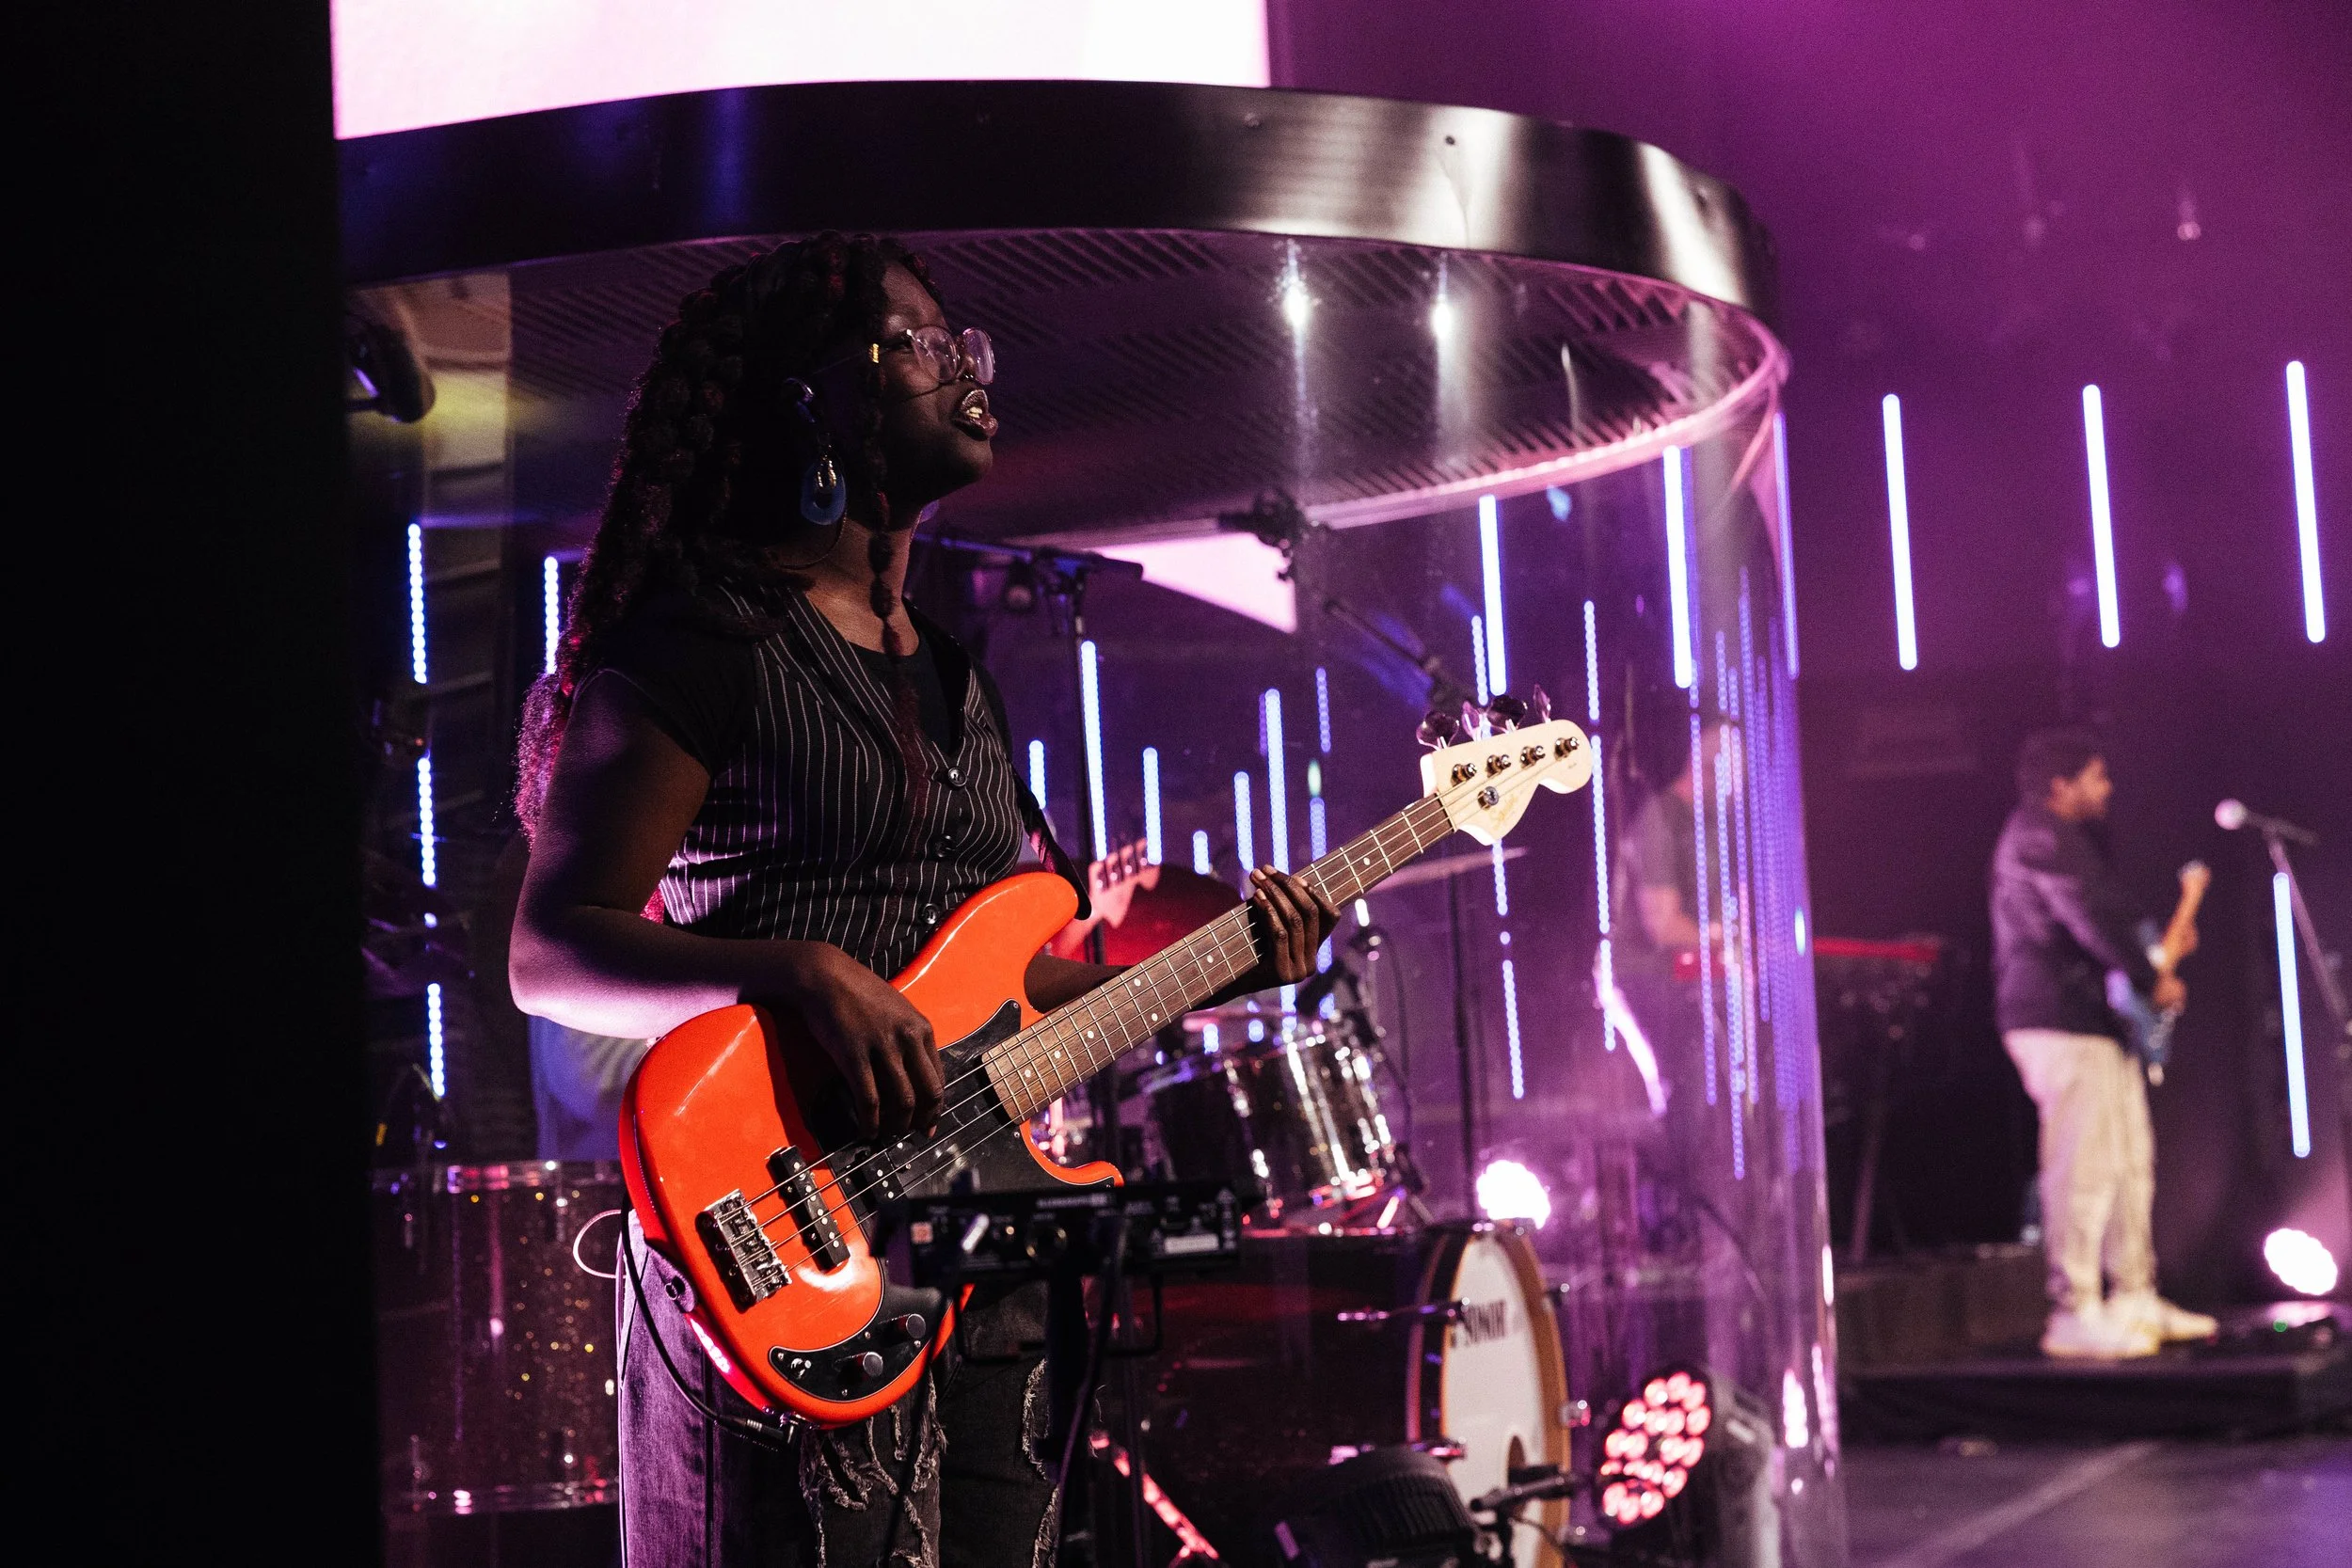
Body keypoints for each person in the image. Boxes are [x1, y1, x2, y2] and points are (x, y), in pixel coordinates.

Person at [507, 234, 1335, 1568]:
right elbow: (550, 951)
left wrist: (1230, 959)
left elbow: (1007, 987)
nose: (967, 366)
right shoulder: (700, 643)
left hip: (976, 1250)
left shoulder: (953, 672)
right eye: (920, 342)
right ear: (812, 397)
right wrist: (794, 970)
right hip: (779, 1233)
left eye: (966, 344)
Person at [1990, 728, 2216, 1359]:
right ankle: (2074, 1308)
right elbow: (2088, 912)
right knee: (2082, 1166)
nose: (2107, 787)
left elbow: (2103, 914)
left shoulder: (2057, 837)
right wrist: (2152, 976)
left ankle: (2133, 1292)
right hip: (2055, 1019)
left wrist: (2143, 972)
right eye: (2097, 775)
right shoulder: (2038, 833)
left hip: (2091, 1021)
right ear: (2061, 784)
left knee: (2127, 1162)